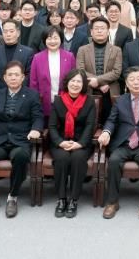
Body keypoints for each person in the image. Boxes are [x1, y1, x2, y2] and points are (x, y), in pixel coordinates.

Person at [0, 61, 43, 218]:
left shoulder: (32, 95)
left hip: (20, 141)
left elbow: (38, 117)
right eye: (10, 75)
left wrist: (36, 130)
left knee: (21, 156)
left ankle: (12, 197)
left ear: (22, 77)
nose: (13, 78)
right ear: (4, 78)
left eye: (16, 75)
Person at [98, 66, 139, 220]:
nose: (136, 82)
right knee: (113, 161)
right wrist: (106, 132)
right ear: (126, 84)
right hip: (124, 143)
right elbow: (111, 120)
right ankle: (112, 202)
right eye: (132, 80)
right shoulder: (120, 100)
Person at [48, 69, 97, 218]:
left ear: (83, 84)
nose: (75, 84)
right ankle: (61, 199)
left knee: (77, 158)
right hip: (61, 141)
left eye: (79, 81)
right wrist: (60, 142)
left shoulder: (89, 101)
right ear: (67, 83)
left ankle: (74, 200)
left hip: (81, 142)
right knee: (62, 158)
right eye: (73, 81)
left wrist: (80, 143)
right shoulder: (58, 101)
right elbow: (52, 126)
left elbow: (90, 125)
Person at [76, 16, 122, 124]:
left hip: (110, 90)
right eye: (96, 28)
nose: (99, 31)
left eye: (102, 28)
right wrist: (99, 84)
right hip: (89, 89)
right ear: (91, 32)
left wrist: (97, 80)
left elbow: (116, 72)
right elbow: (80, 70)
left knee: (110, 123)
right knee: (89, 123)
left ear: (108, 31)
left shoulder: (116, 50)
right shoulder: (82, 50)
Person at [29, 25, 76, 124]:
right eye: (49, 38)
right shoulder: (37, 58)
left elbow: (74, 80)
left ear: (61, 39)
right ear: (44, 40)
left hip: (66, 103)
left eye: (55, 38)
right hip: (43, 104)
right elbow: (33, 83)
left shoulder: (69, 56)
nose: (52, 41)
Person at [0, 20, 35, 95]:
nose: (8, 34)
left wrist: (18, 91)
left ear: (18, 33)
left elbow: (29, 75)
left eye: (11, 31)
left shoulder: (28, 52)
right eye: (5, 31)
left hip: (21, 95)